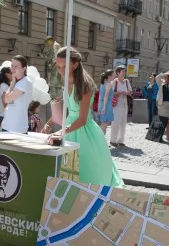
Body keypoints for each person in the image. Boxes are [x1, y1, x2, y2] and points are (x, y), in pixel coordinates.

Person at [49, 47, 123, 188]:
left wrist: (61, 131)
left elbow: (82, 119)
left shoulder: (85, 85)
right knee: (66, 171)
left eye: (64, 66)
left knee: (87, 171)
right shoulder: (65, 82)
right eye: (58, 67)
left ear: (75, 64)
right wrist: (48, 124)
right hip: (69, 127)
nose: (60, 70)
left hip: (84, 130)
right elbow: (67, 109)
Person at [2, 55, 33, 133]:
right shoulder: (16, 81)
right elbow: (8, 105)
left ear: (24, 68)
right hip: (7, 126)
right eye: (12, 65)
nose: (12, 69)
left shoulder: (25, 82)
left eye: (16, 66)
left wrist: (12, 83)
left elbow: (6, 99)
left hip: (17, 128)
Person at [110, 65, 132, 147]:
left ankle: (120, 140)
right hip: (116, 104)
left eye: (124, 71)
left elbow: (130, 90)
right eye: (122, 71)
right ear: (118, 72)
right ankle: (113, 140)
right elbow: (111, 93)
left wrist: (128, 92)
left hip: (125, 104)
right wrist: (120, 92)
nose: (124, 73)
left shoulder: (126, 81)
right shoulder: (114, 82)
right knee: (116, 122)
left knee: (123, 122)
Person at [98, 69, 115, 135]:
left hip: (103, 104)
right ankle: (101, 142)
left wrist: (100, 107)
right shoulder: (108, 84)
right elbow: (106, 96)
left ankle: (101, 141)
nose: (115, 76)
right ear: (109, 76)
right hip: (106, 105)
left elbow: (100, 97)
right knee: (104, 125)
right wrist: (104, 107)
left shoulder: (103, 84)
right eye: (113, 75)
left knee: (103, 124)